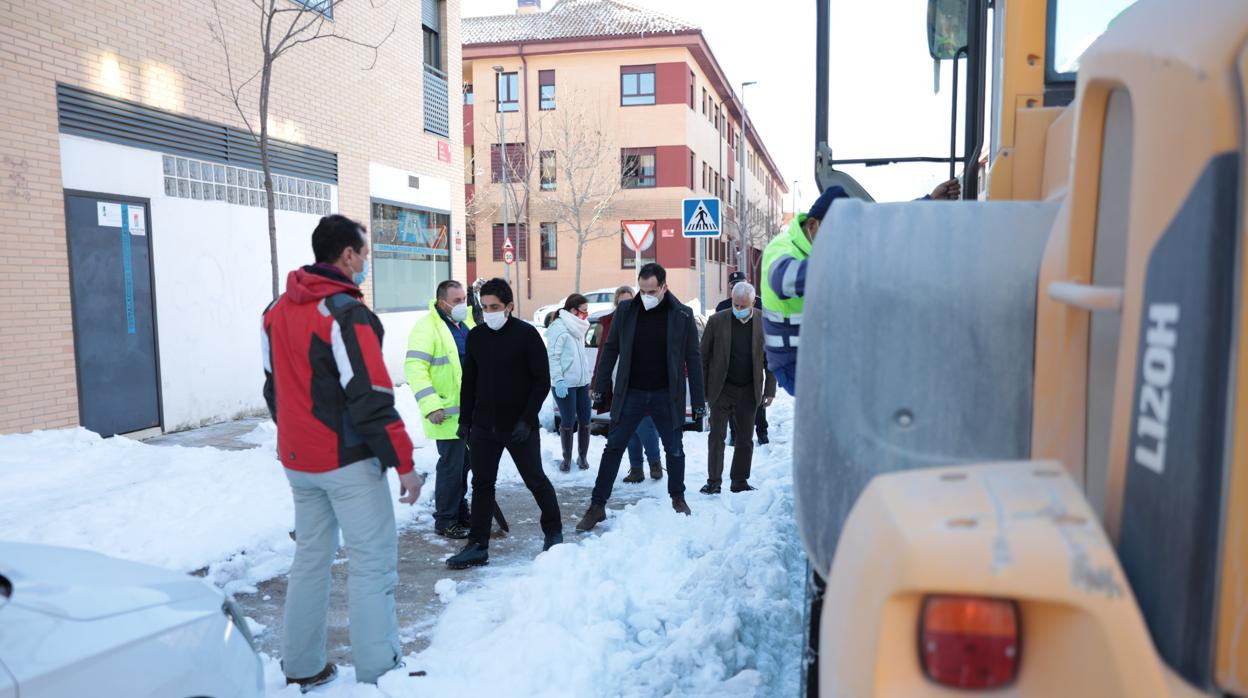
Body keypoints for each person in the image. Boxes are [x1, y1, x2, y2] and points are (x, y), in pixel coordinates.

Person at [261, 214, 421, 689]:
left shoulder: (275, 310)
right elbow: (371, 395)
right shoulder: (343, 313)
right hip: (346, 463)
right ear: (347, 255)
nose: (364, 264)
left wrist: (295, 437)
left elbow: (273, 389)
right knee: (372, 566)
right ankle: (381, 673)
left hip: (299, 463)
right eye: (364, 256)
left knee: (311, 561)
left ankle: (302, 666)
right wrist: (404, 464)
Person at [763, 179, 961, 395]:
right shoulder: (782, 247)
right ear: (812, 225)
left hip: (827, 351)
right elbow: (782, 279)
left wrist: (930, 201)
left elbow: (886, 227)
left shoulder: (829, 249)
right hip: (794, 361)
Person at [576, 263, 705, 531]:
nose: (645, 295)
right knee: (613, 448)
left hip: (665, 395)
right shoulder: (626, 310)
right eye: (641, 290)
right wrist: (599, 388)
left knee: (675, 449)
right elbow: (610, 349)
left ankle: (677, 498)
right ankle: (597, 506)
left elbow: (693, 359)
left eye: (651, 291)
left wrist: (700, 401)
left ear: (664, 287)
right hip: (631, 393)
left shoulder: (681, 315)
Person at [447, 278, 563, 569]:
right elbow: (469, 381)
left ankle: (553, 532)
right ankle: (477, 545)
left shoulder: (527, 336)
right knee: (482, 484)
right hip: (484, 426)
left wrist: (526, 420)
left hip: (519, 427)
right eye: (484, 307)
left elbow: (541, 382)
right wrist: (465, 420)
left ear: (509, 306)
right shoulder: (477, 337)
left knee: (535, 479)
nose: (489, 312)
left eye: (495, 307)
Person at [405, 280, 474, 539]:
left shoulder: (466, 325)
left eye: (464, 299)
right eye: (456, 301)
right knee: (451, 467)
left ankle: (459, 510)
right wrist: (431, 405)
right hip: (445, 413)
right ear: (441, 301)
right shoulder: (427, 328)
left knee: (465, 465)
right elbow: (415, 369)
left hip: (468, 413)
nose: (462, 305)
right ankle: (445, 520)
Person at [699, 282, 776, 494]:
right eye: (736, 304)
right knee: (717, 436)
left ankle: (739, 481)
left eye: (744, 305)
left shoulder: (764, 321)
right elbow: (702, 358)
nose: (739, 309)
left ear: (753, 302)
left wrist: (770, 390)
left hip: (749, 389)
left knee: (744, 438)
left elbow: (770, 359)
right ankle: (713, 481)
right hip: (721, 388)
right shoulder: (717, 321)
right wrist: (703, 391)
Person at [592, 286, 664, 482]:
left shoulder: (643, 319)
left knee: (645, 424)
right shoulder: (609, 323)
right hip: (619, 382)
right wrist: (597, 384)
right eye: (621, 301)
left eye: (629, 301)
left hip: (643, 382)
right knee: (628, 427)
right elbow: (602, 356)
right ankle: (636, 468)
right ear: (616, 304)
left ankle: (655, 462)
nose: (625, 305)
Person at [715, 271, 768, 445]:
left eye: (740, 282)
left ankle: (762, 432)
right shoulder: (722, 306)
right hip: (731, 362)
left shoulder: (761, 304)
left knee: (756, 401)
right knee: (731, 405)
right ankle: (734, 433)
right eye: (734, 284)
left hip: (754, 358)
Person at [546, 293, 593, 472]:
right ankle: (567, 459)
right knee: (567, 420)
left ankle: (583, 457)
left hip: (582, 383)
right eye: (583, 311)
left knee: (586, 419)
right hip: (564, 384)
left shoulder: (578, 326)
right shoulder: (559, 327)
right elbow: (553, 356)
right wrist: (558, 380)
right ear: (573, 310)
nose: (586, 315)